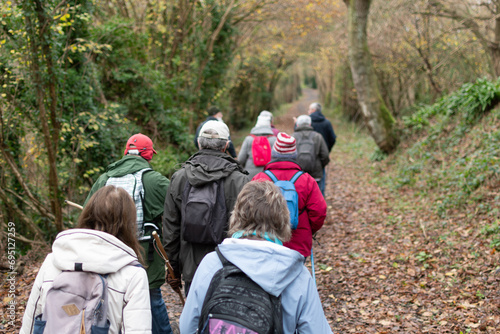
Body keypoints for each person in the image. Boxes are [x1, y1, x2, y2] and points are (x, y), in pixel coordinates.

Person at [179, 181, 333, 333]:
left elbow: (187, 327)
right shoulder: (297, 275)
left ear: (236, 216)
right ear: (283, 220)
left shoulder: (212, 263)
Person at [21, 186, 152, 334]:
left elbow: (30, 322)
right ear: (129, 224)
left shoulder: (54, 260)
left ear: (88, 214)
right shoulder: (133, 275)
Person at [85, 133, 172, 334]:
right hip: (144, 256)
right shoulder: (156, 181)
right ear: (148, 155)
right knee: (151, 299)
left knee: (107, 298)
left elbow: (87, 217)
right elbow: (175, 215)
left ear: (125, 152)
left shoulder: (104, 179)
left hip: (105, 255)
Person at [163, 120, 250, 296]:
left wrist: (173, 267)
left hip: (192, 266)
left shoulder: (180, 178)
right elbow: (247, 228)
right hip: (229, 265)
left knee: (195, 317)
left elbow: (171, 226)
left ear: (199, 143)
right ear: (226, 145)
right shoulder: (240, 181)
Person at [253, 132, 326, 258]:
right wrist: (309, 230)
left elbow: (250, 210)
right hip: (298, 244)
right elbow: (319, 211)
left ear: (274, 154)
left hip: (266, 242)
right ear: (294, 155)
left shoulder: (260, 179)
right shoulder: (307, 180)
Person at [293, 115, 330, 189]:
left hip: (297, 175)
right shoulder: (318, 136)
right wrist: (320, 165)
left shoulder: (292, 137)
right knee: (317, 197)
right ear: (310, 124)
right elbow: (325, 155)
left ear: (297, 125)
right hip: (315, 174)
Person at [308, 102, 336, 196]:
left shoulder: (308, 123)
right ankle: (320, 201)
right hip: (321, 157)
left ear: (313, 110)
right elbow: (332, 138)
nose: (308, 111)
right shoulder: (326, 123)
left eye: (309, 109)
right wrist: (327, 150)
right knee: (320, 180)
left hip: (306, 156)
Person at [237, 114, 277, 179]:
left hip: (250, 175)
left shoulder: (249, 139)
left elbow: (241, 159)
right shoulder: (274, 139)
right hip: (268, 174)